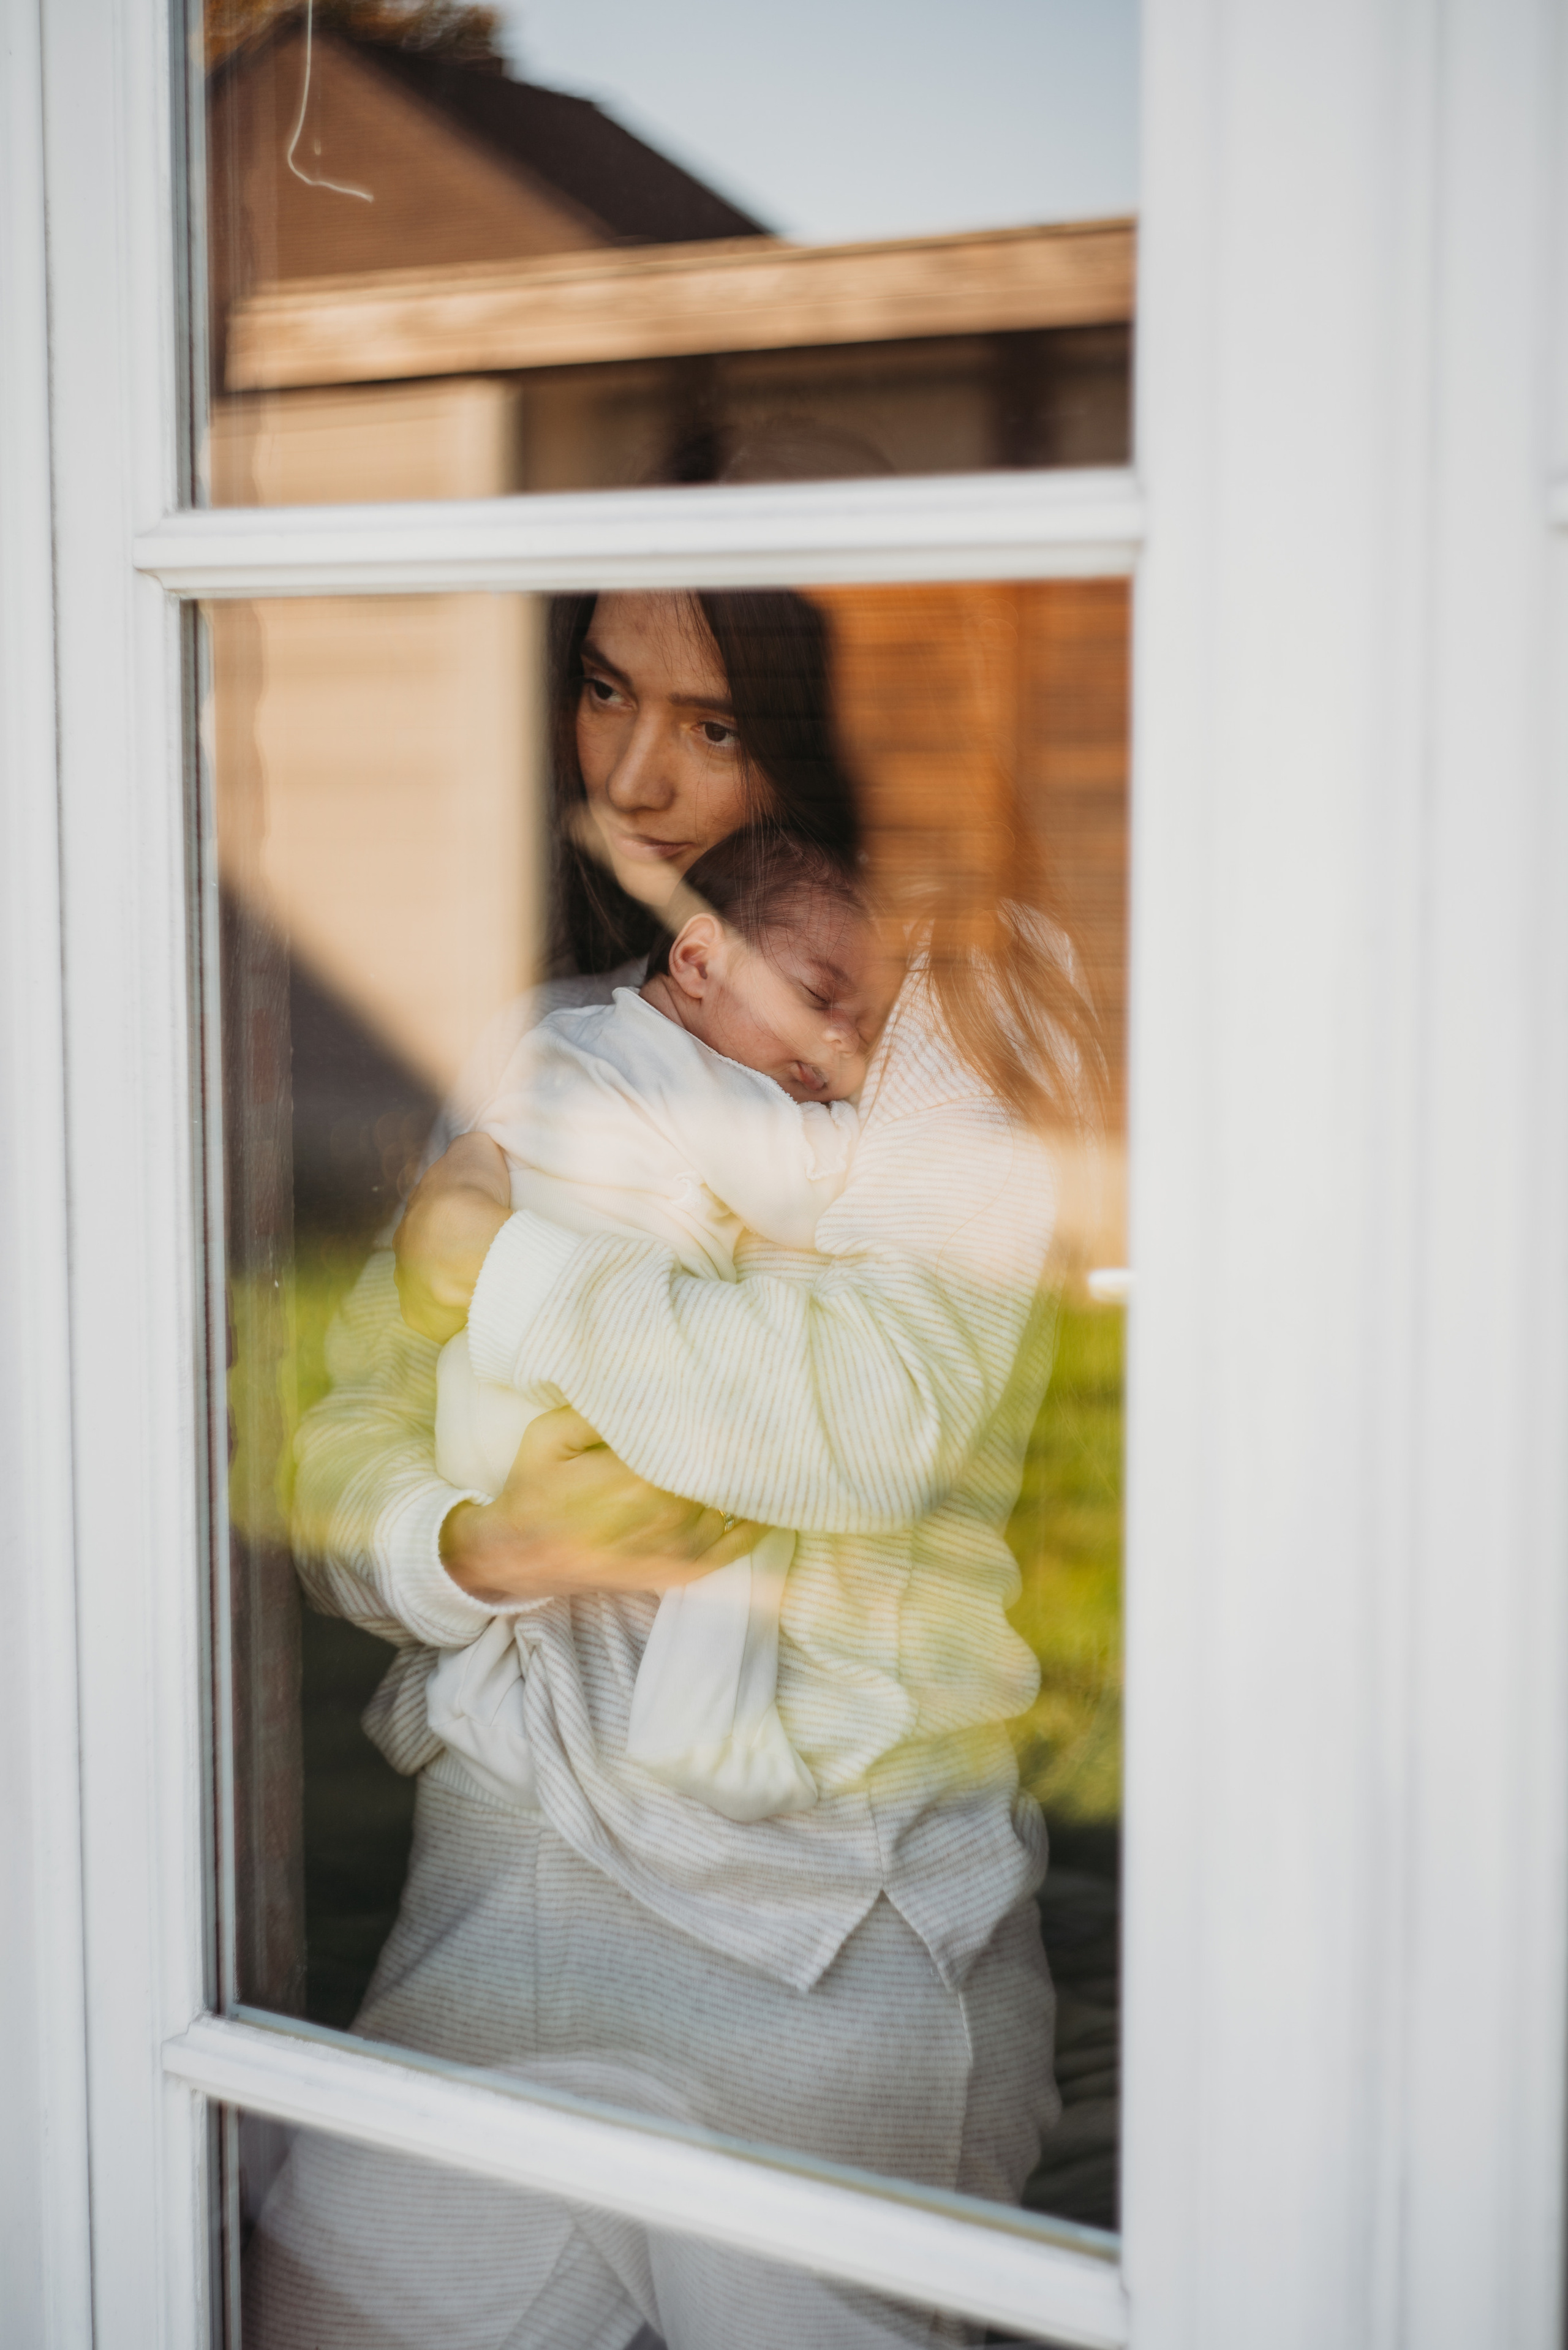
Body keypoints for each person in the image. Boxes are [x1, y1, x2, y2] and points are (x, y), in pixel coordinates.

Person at [246, 586, 1099, 2350]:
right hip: (512, 1883)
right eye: (605, 692)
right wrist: (478, 1544)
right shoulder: (554, 1036)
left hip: (835, 1929)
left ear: (831, 717)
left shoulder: (953, 1000)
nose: (635, 776)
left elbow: (867, 1419)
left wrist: (512, 1269)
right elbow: (350, 1441)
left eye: (712, 722)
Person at [422, 825, 881, 1825]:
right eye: (817, 998)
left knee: (554, 1579)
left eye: (869, 1028)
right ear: (701, 958)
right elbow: (812, 1191)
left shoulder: (569, 1041)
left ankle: (479, 1694)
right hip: (579, 1368)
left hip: (484, 1396)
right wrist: (871, 1116)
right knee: (750, 1494)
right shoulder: (693, 1079)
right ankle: (703, 1726)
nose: (844, 1042)